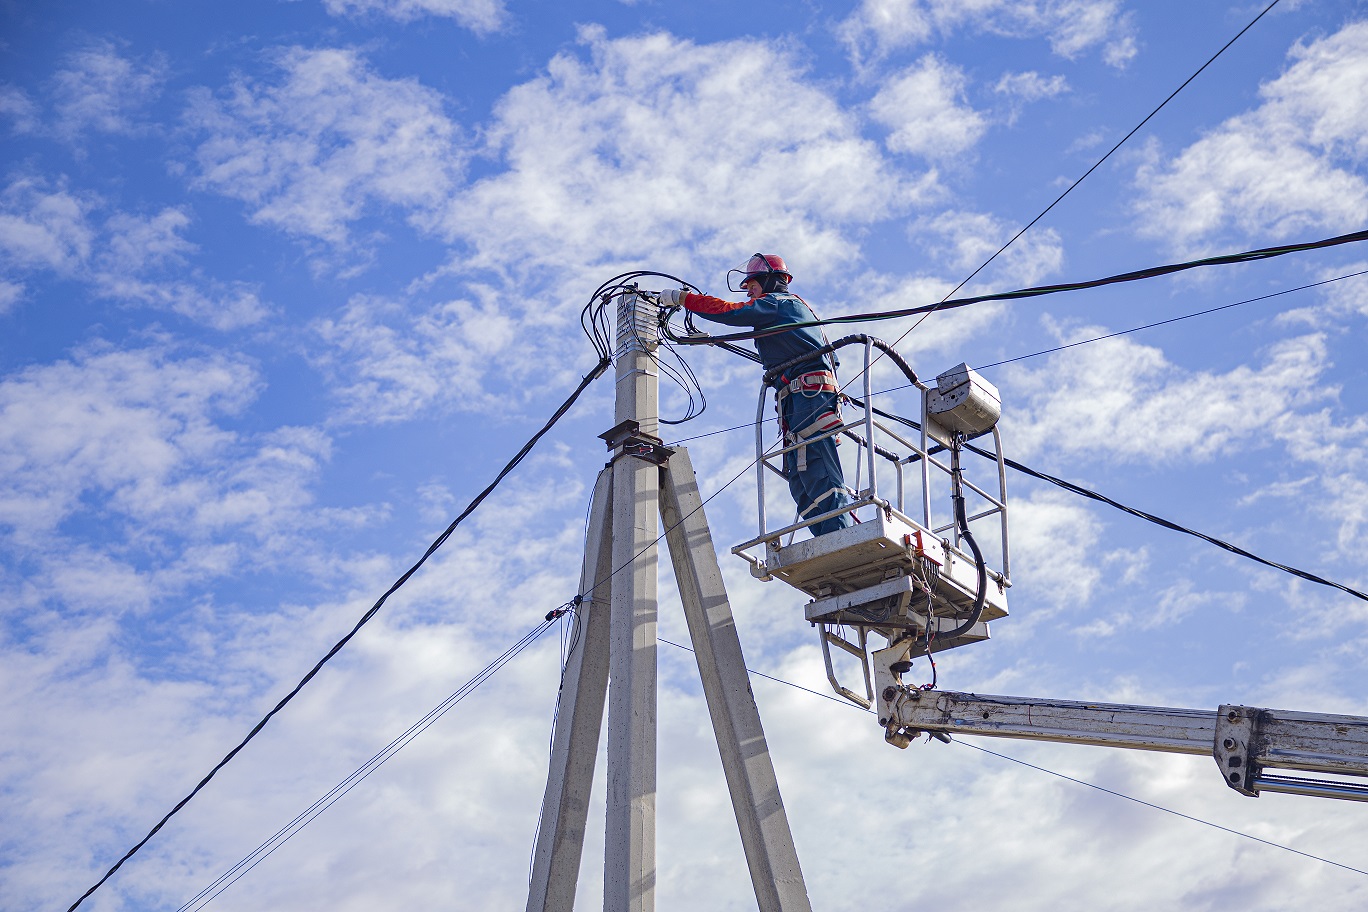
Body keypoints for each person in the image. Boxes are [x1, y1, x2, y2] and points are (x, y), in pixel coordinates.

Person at [658, 254, 853, 536]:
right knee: (800, 478)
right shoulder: (785, 313)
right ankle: (828, 538)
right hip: (796, 399)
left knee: (819, 470)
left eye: (752, 284)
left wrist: (683, 298)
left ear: (771, 281)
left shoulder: (779, 304)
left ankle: (843, 538)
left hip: (809, 397)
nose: (749, 291)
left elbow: (731, 312)